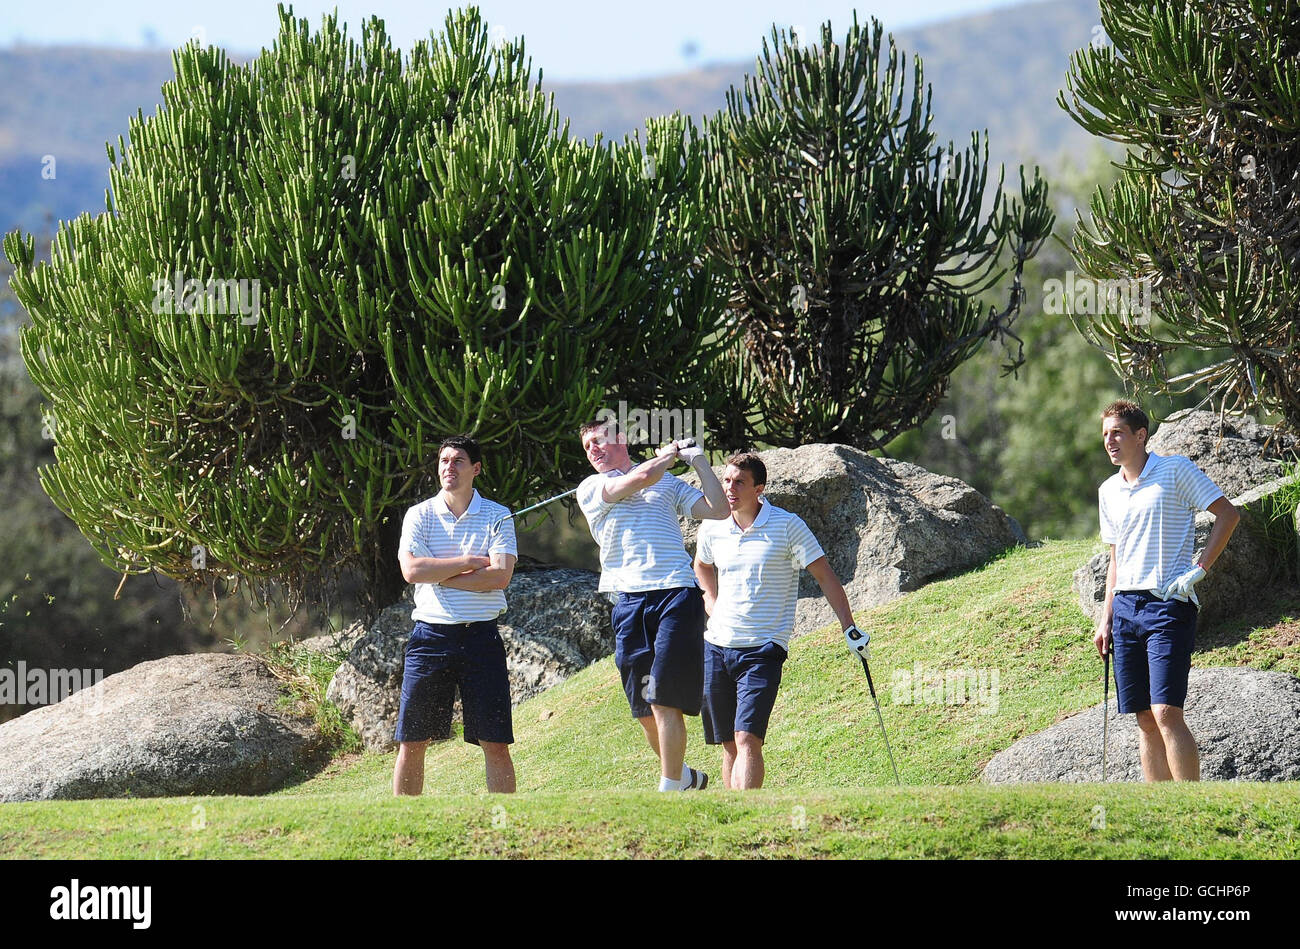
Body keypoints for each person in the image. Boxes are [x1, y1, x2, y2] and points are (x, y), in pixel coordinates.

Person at [693, 452, 862, 789]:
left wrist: (849, 626)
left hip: (763, 649)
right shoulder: (713, 526)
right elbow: (701, 565)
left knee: (746, 738)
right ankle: (733, 821)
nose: (730, 488)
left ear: (760, 488)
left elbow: (826, 577)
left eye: (739, 482)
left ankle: (749, 814)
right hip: (716, 646)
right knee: (728, 743)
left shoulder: (787, 525)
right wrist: (710, 599)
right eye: (726, 480)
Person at [576, 418, 729, 790]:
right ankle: (683, 776)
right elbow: (640, 479)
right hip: (627, 602)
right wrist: (665, 457)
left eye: (599, 441)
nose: (593, 450)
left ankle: (669, 789)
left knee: (662, 698)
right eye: (587, 447)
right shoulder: (593, 486)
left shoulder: (667, 481)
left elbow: (719, 509)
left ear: (622, 440)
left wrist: (698, 461)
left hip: (676, 593)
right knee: (645, 707)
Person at [1093, 400, 1240, 782]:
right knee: (1143, 718)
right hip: (1125, 606)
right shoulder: (1107, 491)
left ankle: (1189, 805)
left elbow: (1228, 514)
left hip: (1167, 605)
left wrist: (1199, 568)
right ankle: (1159, 811)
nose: (1110, 441)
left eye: (1118, 433)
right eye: (1105, 434)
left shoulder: (1174, 469)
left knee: (1165, 712)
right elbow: (1115, 559)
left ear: (1140, 435)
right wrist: (1105, 618)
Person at [393, 435, 518, 795]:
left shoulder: (498, 515)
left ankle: (505, 826)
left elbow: (500, 577)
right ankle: (404, 826)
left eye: (458, 460)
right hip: (430, 639)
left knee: (494, 742)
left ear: (475, 469)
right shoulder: (419, 514)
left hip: (481, 639)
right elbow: (412, 572)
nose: (449, 467)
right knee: (413, 740)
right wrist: (465, 564)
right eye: (444, 460)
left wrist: (440, 575)